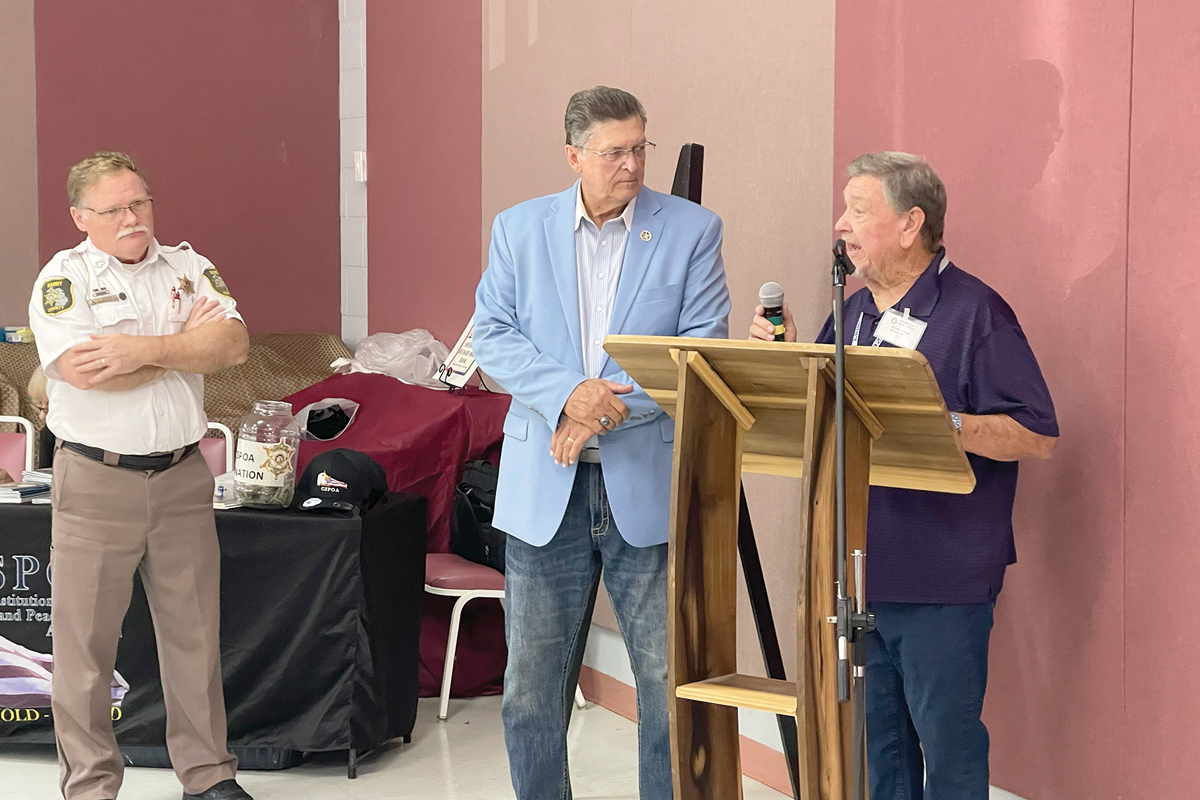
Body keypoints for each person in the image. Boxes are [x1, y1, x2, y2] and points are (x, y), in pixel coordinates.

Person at [750, 151, 1058, 800]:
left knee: (948, 748)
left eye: (859, 211)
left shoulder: (978, 313)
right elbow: (835, 422)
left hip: (942, 574)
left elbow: (1036, 434)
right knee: (878, 756)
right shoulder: (854, 311)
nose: (842, 224)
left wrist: (942, 423)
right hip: (861, 571)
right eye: (845, 209)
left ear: (912, 224)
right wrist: (790, 366)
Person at [473, 86, 731, 799]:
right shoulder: (518, 229)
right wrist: (567, 394)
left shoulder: (692, 230)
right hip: (543, 488)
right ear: (573, 156)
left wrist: (599, 411)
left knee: (663, 684)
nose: (631, 165)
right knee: (531, 690)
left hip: (643, 485)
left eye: (640, 147)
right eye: (614, 152)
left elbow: (699, 351)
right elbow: (493, 338)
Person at [27, 152, 252, 800]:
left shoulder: (186, 265)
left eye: (140, 203)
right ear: (80, 218)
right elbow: (86, 371)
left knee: (194, 636)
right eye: (114, 209)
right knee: (84, 652)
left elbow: (234, 346)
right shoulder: (61, 282)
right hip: (97, 481)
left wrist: (140, 348)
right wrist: (184, 348)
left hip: (182, 476)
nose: (132, 218)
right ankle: (93, 786)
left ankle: (208, 776)